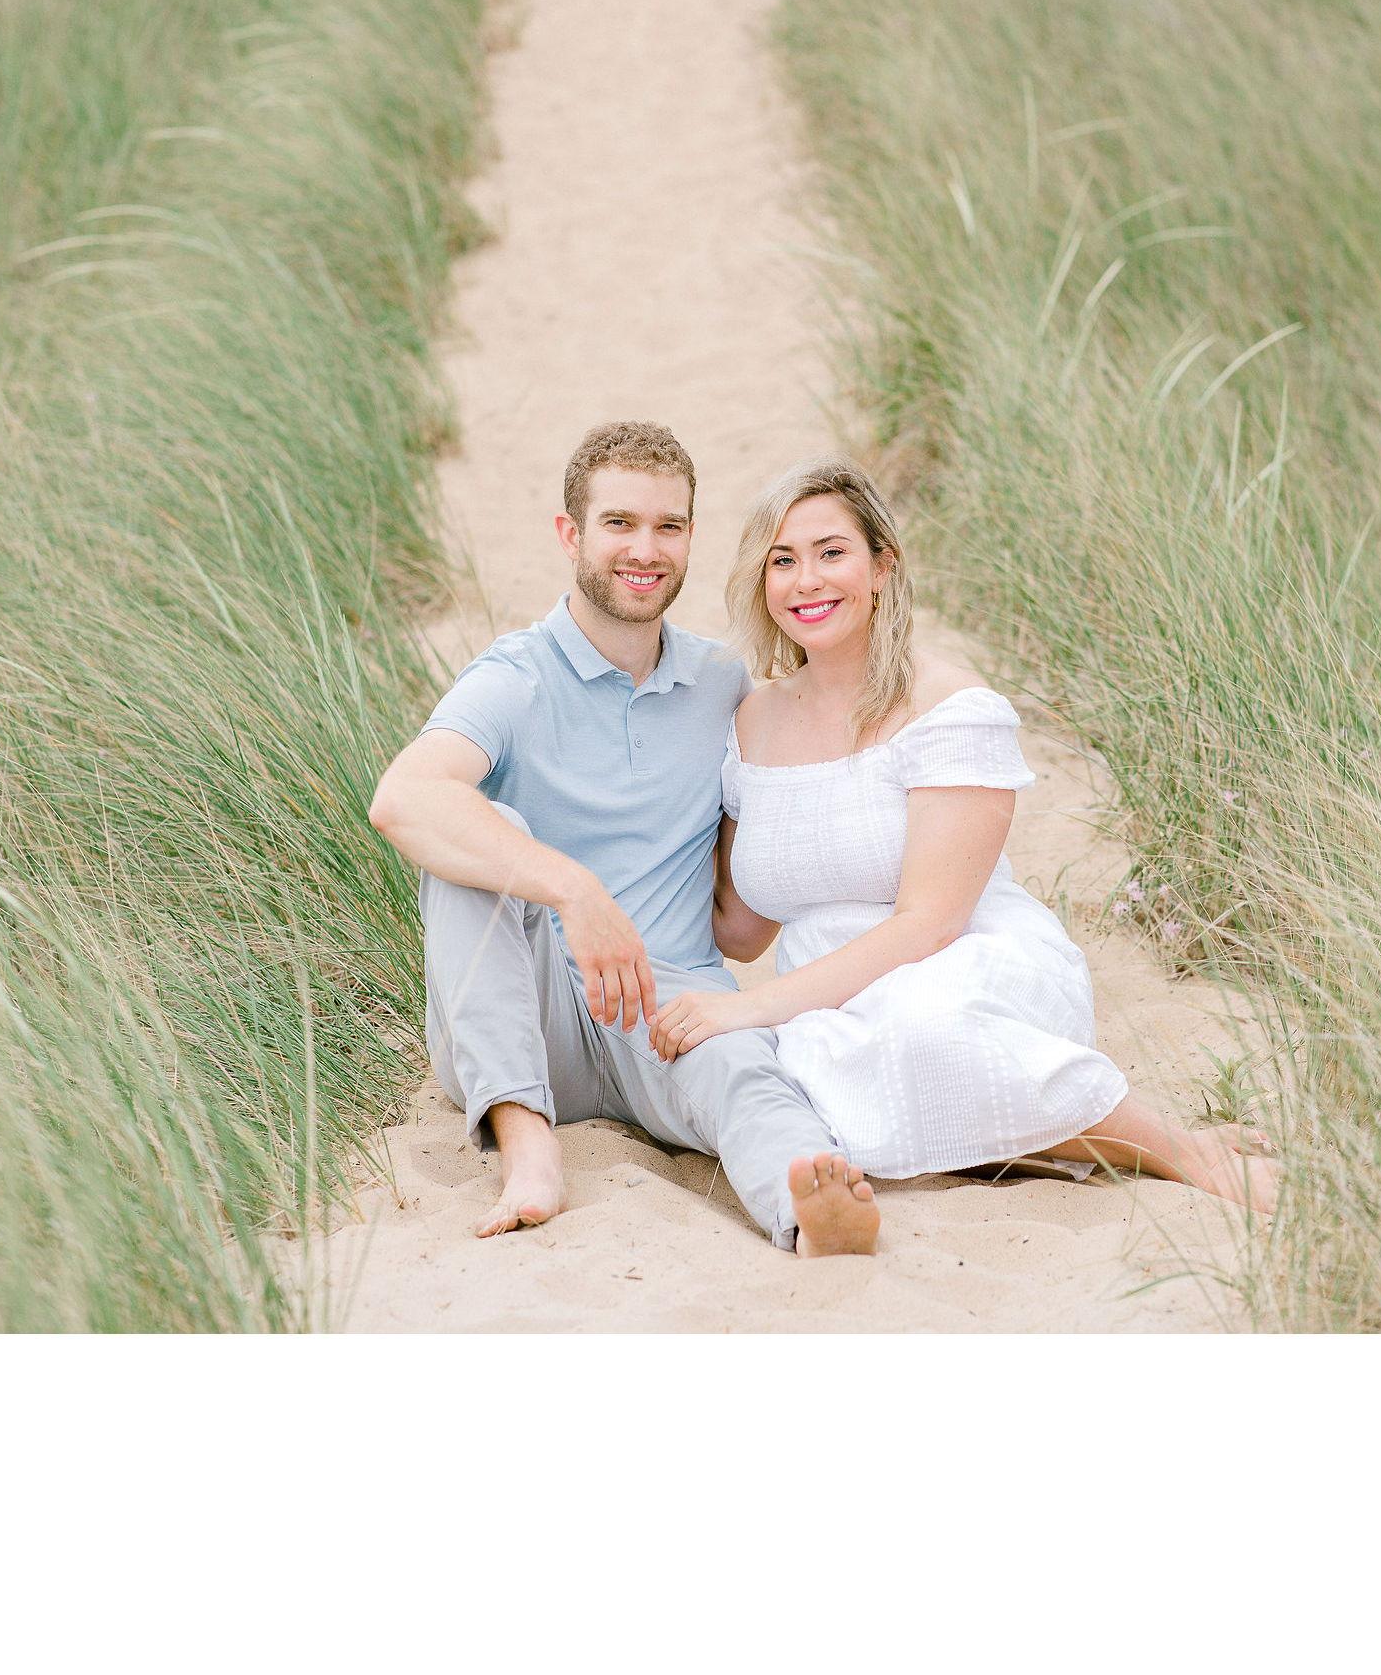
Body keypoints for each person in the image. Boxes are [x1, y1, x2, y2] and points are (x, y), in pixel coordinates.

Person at [646, 454, 1279, 1214]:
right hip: (827, 999)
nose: (806, 581)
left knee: (925, 1032)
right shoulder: (752, 721)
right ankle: (1041, 1139)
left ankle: (1182, 1150)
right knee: (819, 1079)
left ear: (882, 566)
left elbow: (931, 923)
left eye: (831, 553)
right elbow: (742, 932)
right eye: (782, 561)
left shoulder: (948, 705)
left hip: (962, 964)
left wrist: (752, 1007)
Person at [368, 421, 879, 1256]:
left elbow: (743, 927)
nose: (646, 549)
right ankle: (527, 1145)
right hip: (526, 1019)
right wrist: (576, 892)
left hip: (667, 1006)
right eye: (619, 523)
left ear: (689, 538)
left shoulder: (720, 685)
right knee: (479, 831)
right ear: (571, 535)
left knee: (744, 1069)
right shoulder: (515, 676)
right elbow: (402, 799)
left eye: (668, 526)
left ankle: (809, 1208)